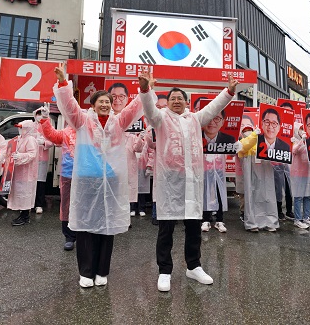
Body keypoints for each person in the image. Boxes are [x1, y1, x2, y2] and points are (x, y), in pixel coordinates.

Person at [140, 70, 237, 292]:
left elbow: (213, 107)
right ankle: (165, 270)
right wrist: (146, 90)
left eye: (180, 98)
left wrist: (229, 91)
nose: (176, 101)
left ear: (187, 102)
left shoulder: (194, 118)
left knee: (193, 227)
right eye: (172, 98)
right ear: (168, 102)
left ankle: (193, 266)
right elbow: (149, 109)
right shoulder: (160, 118)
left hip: (192, 183)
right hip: (169, 183)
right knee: (166, 228)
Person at [55, 64, 144, 288]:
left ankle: (102, 270)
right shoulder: (83, 122)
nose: (105, 104)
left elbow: (134, 109)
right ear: (93, 105)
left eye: (108, 101)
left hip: (111, 180)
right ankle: (86, 272)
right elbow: (69, 106)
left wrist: (144, 90)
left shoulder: (118, 122)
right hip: (87, 180)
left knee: (107, 225)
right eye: (101, 101)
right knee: (85, 226)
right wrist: (64, 84)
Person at [108, 82, 145, 217]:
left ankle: (123, 220)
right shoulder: (105, 117)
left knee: (125, 195)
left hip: (127, 165)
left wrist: (141, 137)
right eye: (114, 96)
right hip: (109, 166)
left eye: (121, 96)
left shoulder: (134, 120)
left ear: (128, 98)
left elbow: (138, 148)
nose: (117, 100)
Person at [41, 115, 77, 250]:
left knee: (85, 204)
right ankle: (69, 236)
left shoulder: (89, 131)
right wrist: (45, 120)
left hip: (86, 174)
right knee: (66, 203)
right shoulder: (66, 132)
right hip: (67, 173)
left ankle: (85, 236)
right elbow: (52, 136)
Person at [237, 126, 278, 232]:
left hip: (265, 174)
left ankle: (270, 221)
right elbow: (244, 146)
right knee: (251, 198)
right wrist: (254, 135)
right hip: (251, 176)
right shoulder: (242, 142)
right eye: (245, 131)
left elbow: (276, 154)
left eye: (249, 130)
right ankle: (252, 223)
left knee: (267, 196)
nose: (248, 132)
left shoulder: (264, 140)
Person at [7, 120, 39, 226]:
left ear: (28, 128)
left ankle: (25, 216)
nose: (20, 129)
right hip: (18, 172)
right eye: (19, 127)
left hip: (27, 173)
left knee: (25, 194)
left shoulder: (30, 139)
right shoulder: (18, 138)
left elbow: (32, 154)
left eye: (22, 128)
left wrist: (20, 156)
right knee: (20, 193)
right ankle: (23, 214)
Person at [290, 124, 310, 229]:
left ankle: (306, 217)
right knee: (298, 196)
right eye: (301, 129)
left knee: (308, 196)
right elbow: (294, 151)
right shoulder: (294, 140)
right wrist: (302, 140)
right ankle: (297, 219)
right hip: (298, 173)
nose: (303, 131)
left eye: (304, 128)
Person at [32, 106, 53, 214]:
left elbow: (52, 141)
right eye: (38, 113)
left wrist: (43, 142)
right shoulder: (31, 127)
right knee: (31, 182)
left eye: (41, 114)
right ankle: (30, 204)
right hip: (31, 158)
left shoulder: (47, 126)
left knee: (40, 182)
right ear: (35, 115)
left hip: (42, 158)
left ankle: (39, 204)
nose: (39, 116)